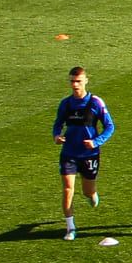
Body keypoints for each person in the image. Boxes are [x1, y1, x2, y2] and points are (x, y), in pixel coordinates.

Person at [52, 65, 113, 241]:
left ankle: (92, 195)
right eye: (72, 81)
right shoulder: (66, 104)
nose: (75, 85)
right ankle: (70, 228)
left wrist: (96, 142)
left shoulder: (95, 103)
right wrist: (56, 136)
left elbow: (110, 126)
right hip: (69, 153)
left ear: (86, 81)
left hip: (89, 155)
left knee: (88, 191)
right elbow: (58, 124)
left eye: (78, 81)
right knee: (67, 189)